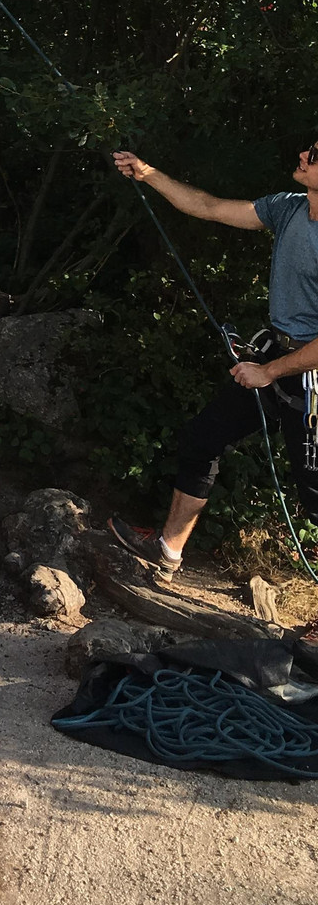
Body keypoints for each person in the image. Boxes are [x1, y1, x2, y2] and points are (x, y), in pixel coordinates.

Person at [109, 143, 318, 581]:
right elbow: (208, 207)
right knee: (203, 439)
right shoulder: (289, 208)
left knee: (316, 498)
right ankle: (167, 552)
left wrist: (270, 372)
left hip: (308, 375)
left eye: (315, 153)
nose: (303, 154)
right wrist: (148, 173)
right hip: (277, 355)